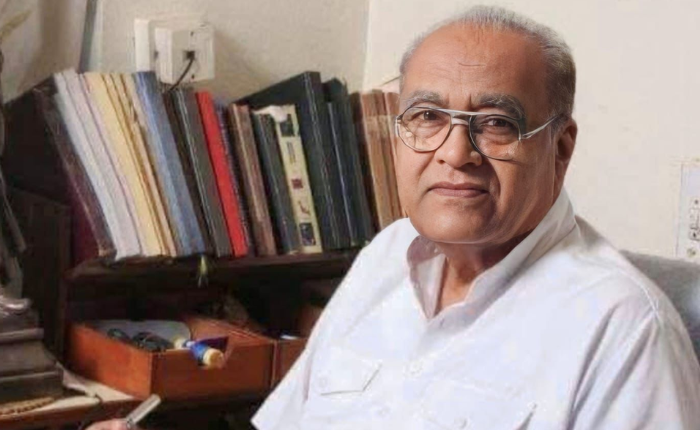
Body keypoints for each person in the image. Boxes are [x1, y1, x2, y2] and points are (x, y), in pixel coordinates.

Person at [87, 5, 700, 430]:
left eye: (494, 123)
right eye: (427, 117)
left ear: (560, 148)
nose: (455, 153)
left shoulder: (623, 328)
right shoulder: (387, 253)